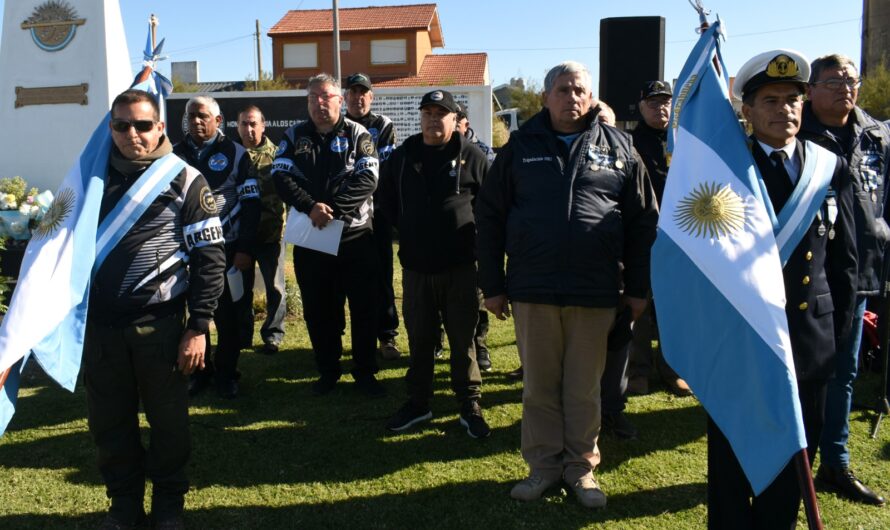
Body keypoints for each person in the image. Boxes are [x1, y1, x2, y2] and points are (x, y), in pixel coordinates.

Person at [476, 61, 657, 508]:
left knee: (583, 387)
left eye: (580, 90)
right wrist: (493, 284)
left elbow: (642, 223)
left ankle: (581, 469)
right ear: (545, 97)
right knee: (539, 385)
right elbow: (490, 217)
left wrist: (637, 288)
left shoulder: (620, 147)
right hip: (533, 289)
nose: (571, 98)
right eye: (562, 90)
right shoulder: (519, 147)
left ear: (591, 97)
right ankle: (542, 468)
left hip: (595, 290)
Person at [706, 50, 857, 528]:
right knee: (732, 462)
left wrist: (839, 331)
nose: (784, 110)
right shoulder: (722, 170)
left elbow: (845, 261)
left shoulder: (827, 168)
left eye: (793, 99)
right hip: (740, 340)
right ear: (746, 110)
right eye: (769, 100)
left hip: (809, 337)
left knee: (794, 460)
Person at [86, 89, 226, 529]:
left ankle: (169, 506)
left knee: (169, 427)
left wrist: (199, 326)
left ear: (160, 127)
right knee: (111, 426)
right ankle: (124, 505)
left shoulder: (185, 179)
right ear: (111, 129)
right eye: (123, 125)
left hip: (161, 329)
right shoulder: (89, 178)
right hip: (102, 332)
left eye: (143, 125)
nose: (133, 134)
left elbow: (210, 258)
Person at [798, 53, 889, 506]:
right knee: (804, 372)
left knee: (845, 372)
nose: (844, 88)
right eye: (832, 81)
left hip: (862, 273)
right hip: (807, 276)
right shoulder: (797, 133)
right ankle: (794, 460)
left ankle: (835, 462)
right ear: (810, 89)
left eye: (851, 80)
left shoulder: (876, 134)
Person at [379, 89, 490, 438]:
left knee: (463, 341)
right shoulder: (402, 156)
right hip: (416, 268)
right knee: (420, 339)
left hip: (460, 269)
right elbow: (387, 203)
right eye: (426, 112)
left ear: (455, 120)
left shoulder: (472, 156)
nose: (432, 119)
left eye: (440, 113)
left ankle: (469, 404)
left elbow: (490, 209)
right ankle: (418, 402)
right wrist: (410, 232)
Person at [272, 73, 384, 397]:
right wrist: (310, 208)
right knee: (319, 310)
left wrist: (331, 209)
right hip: (312, 238)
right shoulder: (293, 136)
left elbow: (368, 179)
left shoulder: (357, 133)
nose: (320, 104)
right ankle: (328, 371)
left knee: (364, 308)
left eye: (326, 97)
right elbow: (280, 177)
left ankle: (365, 372)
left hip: (355, 238)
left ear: (340, 100)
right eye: (313, 98)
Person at [174, 96, 259, 399]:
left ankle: (226, 375)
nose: (196, 121)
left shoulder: (237, 154)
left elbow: (251, 205)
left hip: (229, 251)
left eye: (202, 116)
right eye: (191, 116)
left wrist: (246, 249)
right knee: (196, 316)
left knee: (229, 318)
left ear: (218, 121)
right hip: (188, 255)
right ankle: (200, 373)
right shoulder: (173, 156)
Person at [627, 80, 693, 398]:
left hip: (680, 237)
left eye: (665, 102)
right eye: (653, 103)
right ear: (640, 107)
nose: (660, 108)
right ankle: (638, 369)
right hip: (642, 238)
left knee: (674, 308)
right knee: (639, 305)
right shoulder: (629, 143)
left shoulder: (684, 141)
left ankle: (672, 369)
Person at [343, 73, 401, 361]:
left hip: (376, 218)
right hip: (343, 219)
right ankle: (338, 334)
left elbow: (385, 171)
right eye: (353, 93)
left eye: (363, 92)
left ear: (371, 96)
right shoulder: (337, 126)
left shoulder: (382, 125)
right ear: (345, 97)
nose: (358, 97)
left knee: (382, 277)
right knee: (340, 279)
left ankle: (387, 336)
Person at [236, 105, 288, 354]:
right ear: (237, 127)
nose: (249, 128)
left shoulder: (278, 155)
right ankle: (242, 335)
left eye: (254, 123)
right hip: (239, 238)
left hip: (271, 234)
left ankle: (273, 335)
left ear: (263, 125)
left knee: (275, 287)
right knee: (239, 289)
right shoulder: (231, 156)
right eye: (244, 124)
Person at [455, 105, 494, 372]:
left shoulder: (482, 152)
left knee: (476, 296)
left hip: (475, 236)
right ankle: (438, 342)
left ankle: (479, 345)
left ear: (465, 122)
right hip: (447, 240)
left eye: (455, 119)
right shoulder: (438, 149)